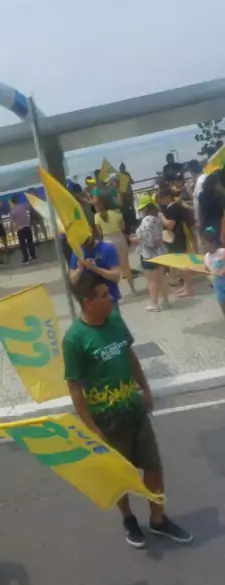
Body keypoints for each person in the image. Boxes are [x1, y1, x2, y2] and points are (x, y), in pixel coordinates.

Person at [63, 272, 193, 548]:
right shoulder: (74, 339)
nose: (110, 298)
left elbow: (130, 354)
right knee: (120, 476)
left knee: (154, 466)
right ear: (88, 303)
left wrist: (144, 388)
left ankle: (158, 518)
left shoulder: (116, 320)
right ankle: (129, 519)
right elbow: (74, 388)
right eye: (103, 296)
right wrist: (91, 427)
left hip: (134, 409)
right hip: (107, 419)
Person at [132, 195, 170, 312]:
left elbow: (148, 241)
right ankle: (165, 301)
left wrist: (135, 240)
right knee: (162, 278)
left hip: (148, 254)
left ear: (146, 208)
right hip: (160, 252)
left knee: (152, 281)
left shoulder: (146, 220)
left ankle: (154, 304)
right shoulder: (157, 217)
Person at [69, 229, 121, 309]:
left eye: (86, 241)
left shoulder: (107, 249)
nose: (85, 245)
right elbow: (72, 280)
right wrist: (80, 269)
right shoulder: (77, 253)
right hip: (89, 302)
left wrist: (96, 269)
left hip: (109, 299)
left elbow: (116, 277)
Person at [157, 186, 195, 297]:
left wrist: (161, 217)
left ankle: (188, 288)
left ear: (167, 197)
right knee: (180, 264)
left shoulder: (172, 208)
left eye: (160, 197)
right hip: (179, 236)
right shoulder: (174, 207)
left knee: (182, 264)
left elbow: (170, 225)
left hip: (177, 238)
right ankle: (186, 286)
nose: (159, 200)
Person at [94, 198, 135, 294]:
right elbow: (123, 227)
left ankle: (115, 293)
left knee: (111, 269)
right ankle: (133, 290)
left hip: (107, 240)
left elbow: (100, 232)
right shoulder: (116, 213)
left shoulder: (96, 216)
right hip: (119, 238)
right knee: (126, 266)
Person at [203, 227, 225, 315]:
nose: (203, 246)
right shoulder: (206, 257)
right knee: (223, 305)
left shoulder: (222, 252)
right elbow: (205, 271)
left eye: (206, 244)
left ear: (213, 243)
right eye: (203, 243)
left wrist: (223, 270)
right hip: (218, 286)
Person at [9, 195, 37, 265]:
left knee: (23, 245)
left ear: (13, 202)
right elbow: (30, 206)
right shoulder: (23, 206)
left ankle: (26, 259)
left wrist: (11, 230)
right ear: (18, 200)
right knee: (30, 242)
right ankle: (33, 256)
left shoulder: (12, 211)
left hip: (20, 229)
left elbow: (12, 222)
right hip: (27, 227)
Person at [198, 172, 225, 239]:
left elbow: (200, 211)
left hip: (206, 226)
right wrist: (222, 233)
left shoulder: (201, 194)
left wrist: (201, 225)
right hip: (218, 227)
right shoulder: (219, 196)